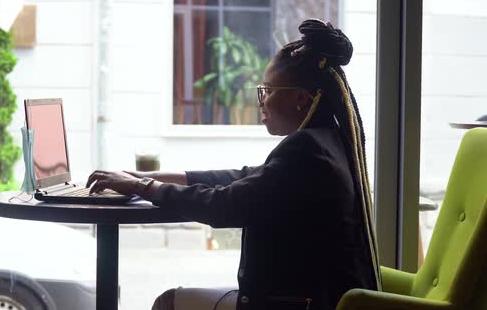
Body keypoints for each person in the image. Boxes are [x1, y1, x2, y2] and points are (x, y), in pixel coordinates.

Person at [86, 19, 381, 310]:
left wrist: (143, 187)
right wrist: (146, 176)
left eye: (267, 90)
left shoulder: (307, 150)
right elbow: (244, 178)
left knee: (169, 303)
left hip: (292, 304)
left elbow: (224, 204)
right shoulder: (329, 141)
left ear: (300, 99)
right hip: (307, 297)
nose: (261, 101)